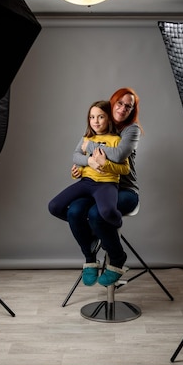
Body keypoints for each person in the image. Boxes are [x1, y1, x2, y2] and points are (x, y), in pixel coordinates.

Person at [49, 100, 131, 286]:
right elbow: (76, 157)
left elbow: (125, 169)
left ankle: (117, 255)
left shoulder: (116, 140)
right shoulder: (87, 138)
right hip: (86, 183)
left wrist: (103, 163)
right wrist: (80, 168)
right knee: (55, 206)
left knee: (107, 213)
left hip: (106, 184)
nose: (95, 121)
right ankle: (91, 246)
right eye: (92, 117)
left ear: (108, 118)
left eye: (100, 117)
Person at [68, 88, 142, 287]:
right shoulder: (98, 123)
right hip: (97, 187)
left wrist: (90, 148)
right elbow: (77, 154)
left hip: (125, 191)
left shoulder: (131, 130)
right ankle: (90, 257)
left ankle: (117, 259)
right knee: (74, 211)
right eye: (119, 103)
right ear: (112, 103)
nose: (123, 108)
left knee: (97, 214)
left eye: (129, 106)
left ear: (132, 110)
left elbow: (118, 155)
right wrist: (83, 167)